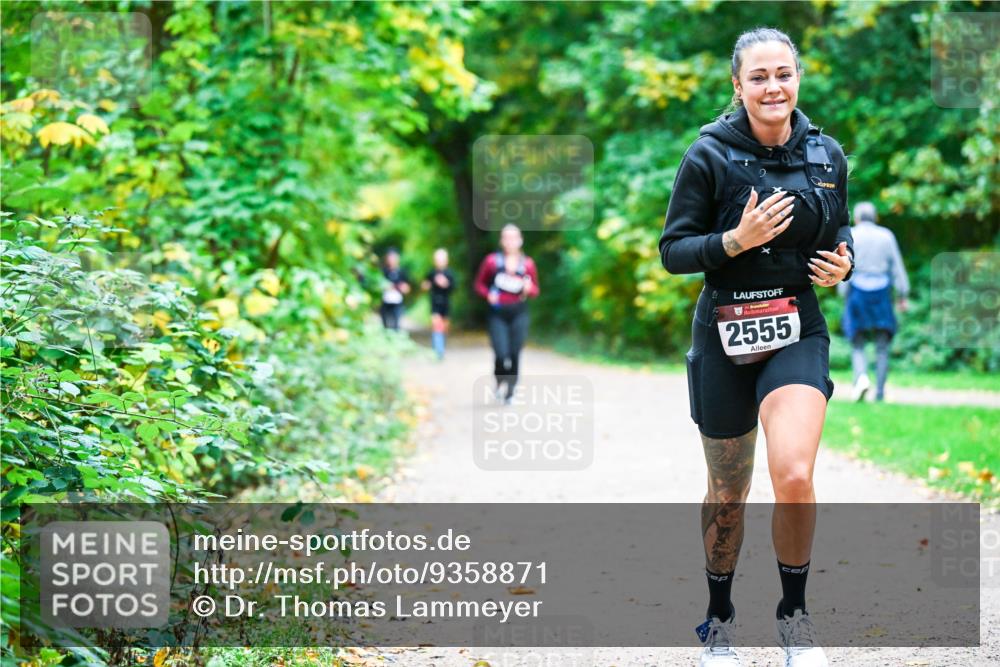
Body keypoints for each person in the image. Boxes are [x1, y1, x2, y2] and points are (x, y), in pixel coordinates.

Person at [659, 28, 854, 667]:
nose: (774, 87)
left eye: (784, 74)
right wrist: (733, 242)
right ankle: (719, 617)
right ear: (737, 86)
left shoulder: (826, 155)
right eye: (760, 77)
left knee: (794, 473)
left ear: (798, 77)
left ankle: (794, 618)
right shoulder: (708, 156)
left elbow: (839, 228)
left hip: (797, 327)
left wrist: (841, 265)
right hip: (723, 335)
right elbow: (673, 252)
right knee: (728, 490)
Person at [838, 201, 909, 402]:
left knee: (857, 342)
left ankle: (861, 379)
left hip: (857, 293)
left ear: (858, 218)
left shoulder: (851, 234)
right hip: (881, 295)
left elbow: (844, 263)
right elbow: (897, 267)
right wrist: (902, 295)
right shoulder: (886, 236)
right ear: (875, 217)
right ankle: (879, 392)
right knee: (882, 345)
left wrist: (843, 293)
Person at [474, 224, 540, 403]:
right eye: (507, 237)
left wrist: (529, 288)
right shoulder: (491, 262)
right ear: (502, 241)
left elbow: (535, 291)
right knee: (501, 353)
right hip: (497, 314)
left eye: (514, 237)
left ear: (520, 240)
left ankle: (511, 390)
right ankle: (500, 379)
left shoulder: (527, 264)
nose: (511, 241)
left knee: (515, 351)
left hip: (519, 312)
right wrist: (488, 295)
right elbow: (479, 285)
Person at [422, 248, 455, 359]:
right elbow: (424, 285)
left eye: (442, 259)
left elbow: (454, 288)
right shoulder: (431, 273)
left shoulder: (449, 273)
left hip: (446, 304)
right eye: (437, 259)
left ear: (446, 260)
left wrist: (445, 284)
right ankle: (438, 352)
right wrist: (428, 285)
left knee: (444, 327)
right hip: (435, 303)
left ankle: (440, 348)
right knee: (436, 326)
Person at [379, 248, 410, 331]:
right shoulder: (383, 271)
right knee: (385, 325)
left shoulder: (402, 272)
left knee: (396, 326)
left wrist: (402, 287)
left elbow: (407, 288)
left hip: (397, 301)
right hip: (385, 301)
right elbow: (378, 286)